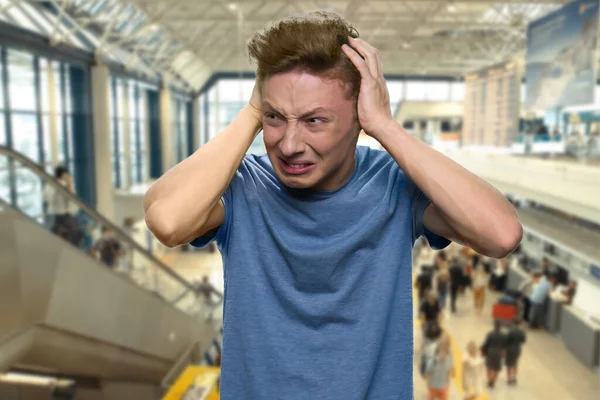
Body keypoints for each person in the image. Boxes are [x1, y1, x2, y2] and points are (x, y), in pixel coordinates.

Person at [143, 12, 522, 398]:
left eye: (314, 121)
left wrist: (386, 126)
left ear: (359, 119)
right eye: (275, 118)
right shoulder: (244, 187)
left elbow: (501, 234)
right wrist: (251, 114)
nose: (289, 145)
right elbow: (168, 220)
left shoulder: (393, 186)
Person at [43, 165, 77, 244]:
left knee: (54, 239)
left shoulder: (48, 185)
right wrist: (70, 184)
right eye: (67, 175)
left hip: (50, 215)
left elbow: (45, 200)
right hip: (63, 216)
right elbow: (72, 198)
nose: (68, 177)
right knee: (73, 236)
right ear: (64, 175)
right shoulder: (65, 185)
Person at [425, 335, 454, 400]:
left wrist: (448, 385)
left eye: (446, 343)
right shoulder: (433, 355)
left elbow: (449, 371)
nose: (444, 345)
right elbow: (428, 371)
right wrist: (428, 384)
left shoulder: (449, 356)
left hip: (443, 386)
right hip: (433, 385)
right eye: (442, 342)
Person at [481, 320, 507, 389]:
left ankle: (489, 380)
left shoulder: (490, 334)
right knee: (496, 368)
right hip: (499, 352)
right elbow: (504, 347)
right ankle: (493, 381)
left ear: (494, 326)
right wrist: (504, 356)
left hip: (490, 351)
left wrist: (483, 352)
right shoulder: (503, 335)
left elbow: (486, 344)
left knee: (489, 366)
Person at [505, 317, 526, 386]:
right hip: (517, 348)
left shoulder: (510, 331)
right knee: (515, 363)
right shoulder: (522, 331)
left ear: (513, 322)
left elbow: (507, 340)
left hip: (510, 348)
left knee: (509, 364)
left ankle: (509, 379)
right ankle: (514, 378)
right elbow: (523, 341)